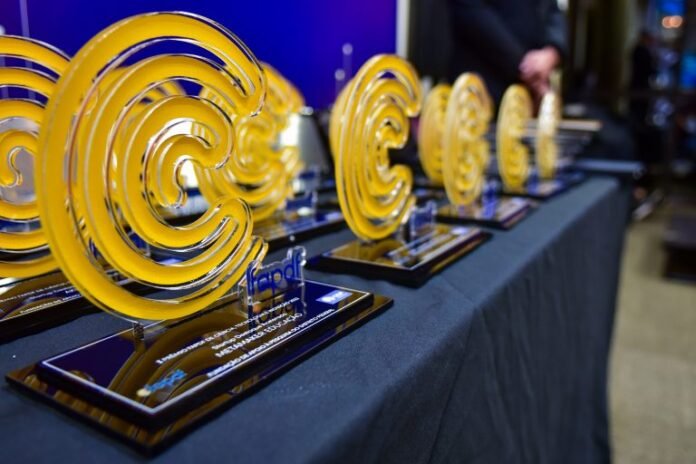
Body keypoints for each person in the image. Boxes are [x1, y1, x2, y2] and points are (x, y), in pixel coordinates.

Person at [448, 0, 567, 105]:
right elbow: (471, 12)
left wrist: (552, 52)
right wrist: (527, 68)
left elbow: (552, 10)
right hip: (482, 83)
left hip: (530, 91)